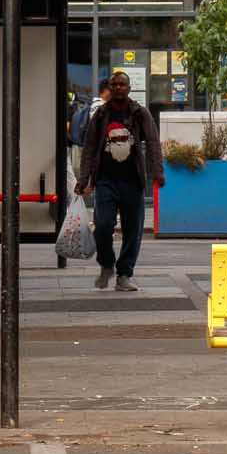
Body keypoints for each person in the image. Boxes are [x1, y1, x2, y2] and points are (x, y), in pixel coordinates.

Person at [76, 72, 158, 292]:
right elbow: (89, 148)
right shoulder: (101, 114)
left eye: (123, 84)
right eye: (115, 84)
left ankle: (124, 274)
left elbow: (153, 142)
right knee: (102, 226)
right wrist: (83, 179)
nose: (119, 87)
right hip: (106, 181)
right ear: (110, 88)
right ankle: (106, 264)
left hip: (132, 181)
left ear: (129, 88)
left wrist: (157, 173)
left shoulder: (140, 113)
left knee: (133, 230)